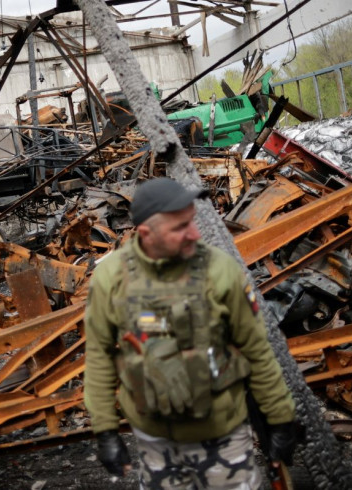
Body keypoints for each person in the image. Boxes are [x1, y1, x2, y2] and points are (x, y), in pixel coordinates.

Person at [84, 177, 297, 489]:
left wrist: (280, 418)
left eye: (192, 222)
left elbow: (257, 351)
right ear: (146, 234)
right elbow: (100, 357)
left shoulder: (220, 270)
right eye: (179, 227)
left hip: (223, 435)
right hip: (155, 441)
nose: (194, 234)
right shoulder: (110, 277)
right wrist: (104, 430)